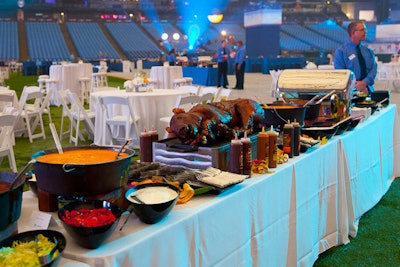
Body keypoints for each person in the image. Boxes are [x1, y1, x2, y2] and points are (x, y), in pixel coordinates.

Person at [334, 20, 377, 95]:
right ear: (353, 32)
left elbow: (373, 70)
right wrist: (356, 85)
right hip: (350, 93)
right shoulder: (341, 52)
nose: (365, 32)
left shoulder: (368, 52)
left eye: (365, 29)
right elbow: (341, 73)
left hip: (368, 91)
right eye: (362, 30)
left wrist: (364, 83)